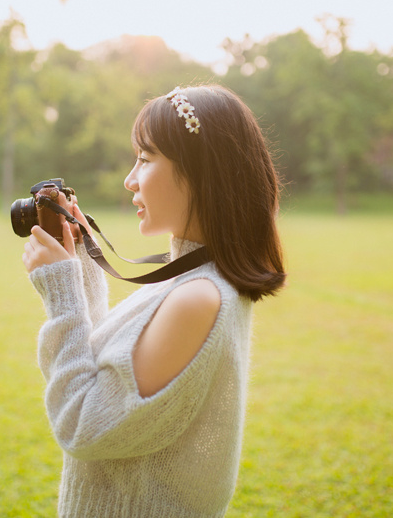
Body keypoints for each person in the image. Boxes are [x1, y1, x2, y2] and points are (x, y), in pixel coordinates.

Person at [21, 84, 286, 518]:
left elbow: (83, 425)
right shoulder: (195, 280)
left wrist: (62, 293)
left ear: (202, 172)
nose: (130, 178)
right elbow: (108, 383)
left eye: (145, 159)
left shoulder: (198, 298)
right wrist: (82, 268)